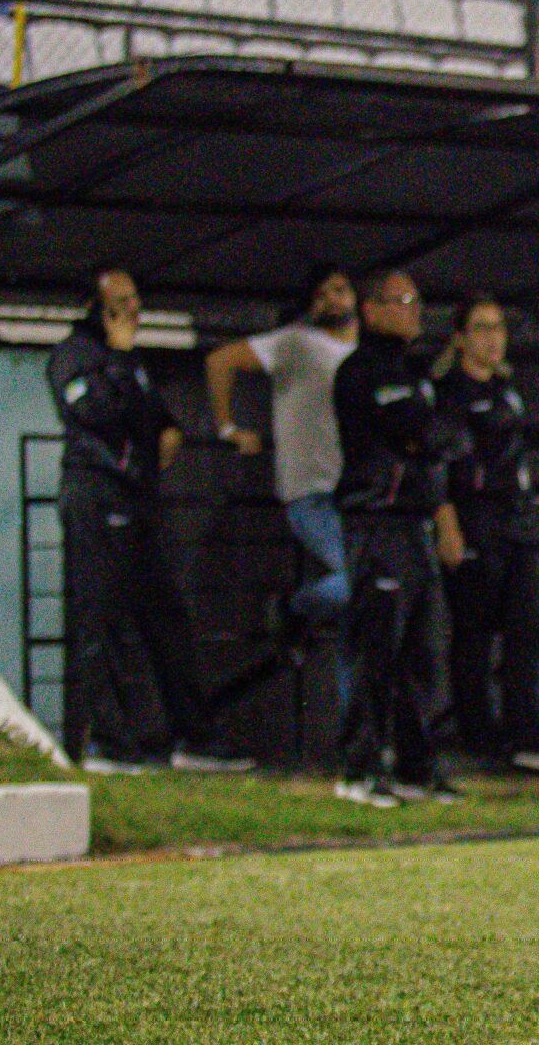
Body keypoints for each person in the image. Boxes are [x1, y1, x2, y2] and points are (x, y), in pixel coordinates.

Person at [45, 270, 249, 774]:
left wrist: (170, 429)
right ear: (96, 309)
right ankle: (105, 743)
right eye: (121, 302)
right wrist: (115, 358)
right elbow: (93, 413)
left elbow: (152, 413)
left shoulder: (131, 359)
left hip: (138, 503)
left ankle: (193, 738)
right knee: (102, 622)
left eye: (136, 299)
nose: (134, 310)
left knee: (168, 618)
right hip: (96, 498)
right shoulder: (74, 356)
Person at [435, 295, 539, 778]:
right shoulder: (448, 393)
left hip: (516, 525)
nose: (492, 337)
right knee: (474, 638)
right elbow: (442, 462)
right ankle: (479, 739)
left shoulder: (505, 388)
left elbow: (515, 432)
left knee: (528, 631)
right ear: (460, 336)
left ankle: (528, 737)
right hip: (476, 523)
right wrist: (449, 525)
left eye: (498, 327)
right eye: (481, 328)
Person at [329, 271, 466, 807]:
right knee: (375, 651)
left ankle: (417, 766)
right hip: (375, 524)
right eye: (401, 301)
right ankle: (358, 770)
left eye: (417, 299)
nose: (412, 310)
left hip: (413, 527)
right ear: (372, 309)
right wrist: (436, 436)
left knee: (422, 651)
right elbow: (424, 432)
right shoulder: (361, 372)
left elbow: (438, 440)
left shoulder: (414, 371)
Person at [205, 266, 360, 626]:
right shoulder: (297, 341)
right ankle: (295, 607)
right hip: (313, 492)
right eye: (321, 295)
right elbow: (220, 360)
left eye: (339, 289)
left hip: (357, 491)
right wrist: (228, 428)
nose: (332, 300)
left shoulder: (365, 355)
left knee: (370, 594)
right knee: (361, 580)